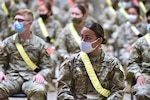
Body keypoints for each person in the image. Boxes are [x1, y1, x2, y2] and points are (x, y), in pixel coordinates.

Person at [57, 22, 125, 100]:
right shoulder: (71, 62)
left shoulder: (112, 64)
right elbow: (62, 89)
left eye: (87, 38)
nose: (83, 41)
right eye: (81, 37)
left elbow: (118, 90)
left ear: (99, 41)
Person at [0, 9, 54, 100]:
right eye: (15, 20)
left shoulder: (40, 44)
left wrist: (42, 74)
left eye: (20, 20)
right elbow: (1, 62)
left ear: (30, 23)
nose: (17, 23)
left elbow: (48, 67)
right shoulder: (8, 42)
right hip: (12, 78)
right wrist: (0, 72)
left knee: (39, 90)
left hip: (31, 78)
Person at [126, 8, 150, 100]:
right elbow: (132, 62)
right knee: (142, 93)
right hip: (146, 77)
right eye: (149, 21)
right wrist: (138, 75)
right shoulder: (141, 42)